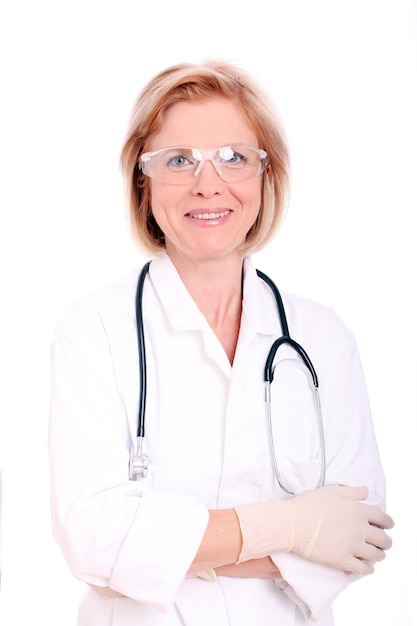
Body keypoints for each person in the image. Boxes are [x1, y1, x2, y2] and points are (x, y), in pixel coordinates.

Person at [48, 60, 394, 626]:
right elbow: (90, 543)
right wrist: (295, 528)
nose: (208, 183)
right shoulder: (95, 331)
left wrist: (165, 550)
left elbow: (360, 535)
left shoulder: (321, 338)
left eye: (234, 157)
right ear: (144, 179)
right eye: (179, 160)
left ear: (267, 174)